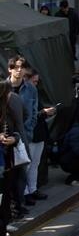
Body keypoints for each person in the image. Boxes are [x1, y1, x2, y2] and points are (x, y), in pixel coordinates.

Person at [7, 57, 40, 208]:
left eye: (22, 67)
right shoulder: (3, 87)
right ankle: (10, 206)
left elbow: (32, 112)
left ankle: (19, 204)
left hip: (23, 135)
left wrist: (27, 129)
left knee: (22, 171)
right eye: (16, 67)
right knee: (7, 172)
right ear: (10, 69)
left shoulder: (31, 88)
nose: (19, 70)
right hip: (6, 136)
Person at [0, 81, 24, 236]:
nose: (10, 95)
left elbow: (17, 132)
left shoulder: (8, 111)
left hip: (6, 163)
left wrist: (13, 139)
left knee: (3, 204)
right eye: (8, 92)